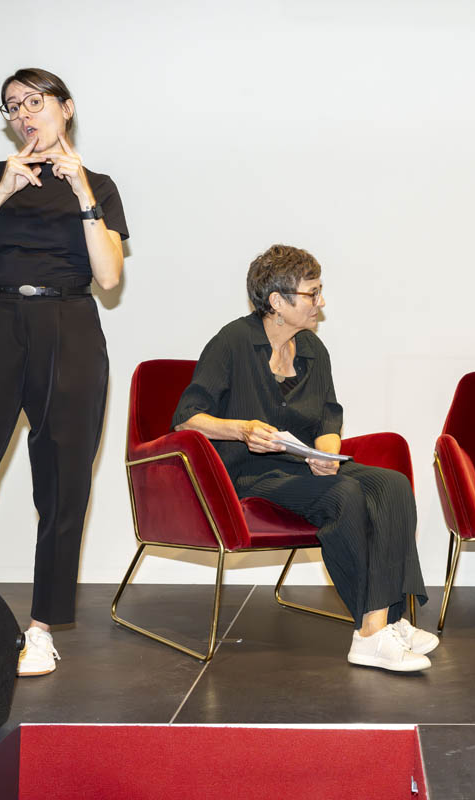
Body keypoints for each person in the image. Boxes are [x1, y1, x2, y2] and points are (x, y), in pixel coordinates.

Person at [0, 68, 128, 677]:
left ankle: (42, 628)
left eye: (33, 102)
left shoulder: (100, 185)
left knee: (64, 480)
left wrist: (84, 193)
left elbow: (110, 276)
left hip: (68, 323)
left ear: (65, 108)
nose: (22, 114)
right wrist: (1, 192)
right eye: (12, 106)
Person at [172, 245, 437, 672]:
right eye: (312, 293)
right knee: (344, 494)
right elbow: (187, 420)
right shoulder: (233, 342)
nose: (321, 302)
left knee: (392, 484)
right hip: (251, 474)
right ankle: (372, 632)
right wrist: (241, 429)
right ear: (277, 301)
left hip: (305, 468)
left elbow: (329, 417)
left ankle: (385, 620)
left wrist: (327, 454)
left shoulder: (313, 349)